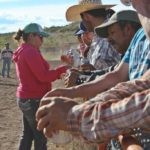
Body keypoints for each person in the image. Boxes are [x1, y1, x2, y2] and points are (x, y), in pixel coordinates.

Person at [36, 0, 150, 149]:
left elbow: (141, 102)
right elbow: (132, 82)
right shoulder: (138, 37)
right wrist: (80, 100)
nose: (109, 38)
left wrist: (76, 116)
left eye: (112, 32)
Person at [13, 23, 68, 150]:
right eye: (40, 37)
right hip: (33, 100)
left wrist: (58, 72)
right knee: (40, 136)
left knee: (27, 135)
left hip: (26, 98)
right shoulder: (30, 52)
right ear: (31, 36)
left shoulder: (24, 50)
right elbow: (43, 76)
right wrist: (62, 69)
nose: (42, 40)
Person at [65, 10, 141, 87]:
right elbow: (112, 71)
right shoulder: (131, 55)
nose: (108, 39)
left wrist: (80, 79)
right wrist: (84, 74)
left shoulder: (142, 54)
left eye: (112, 33)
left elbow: (119, 79)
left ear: (128, 29)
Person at [66, 0, 121, 71]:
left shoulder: (113, 33)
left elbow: (127, 69)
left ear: (86, 16)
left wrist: (96, 72)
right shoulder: (97, 36)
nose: (83, 23)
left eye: (81, 19)